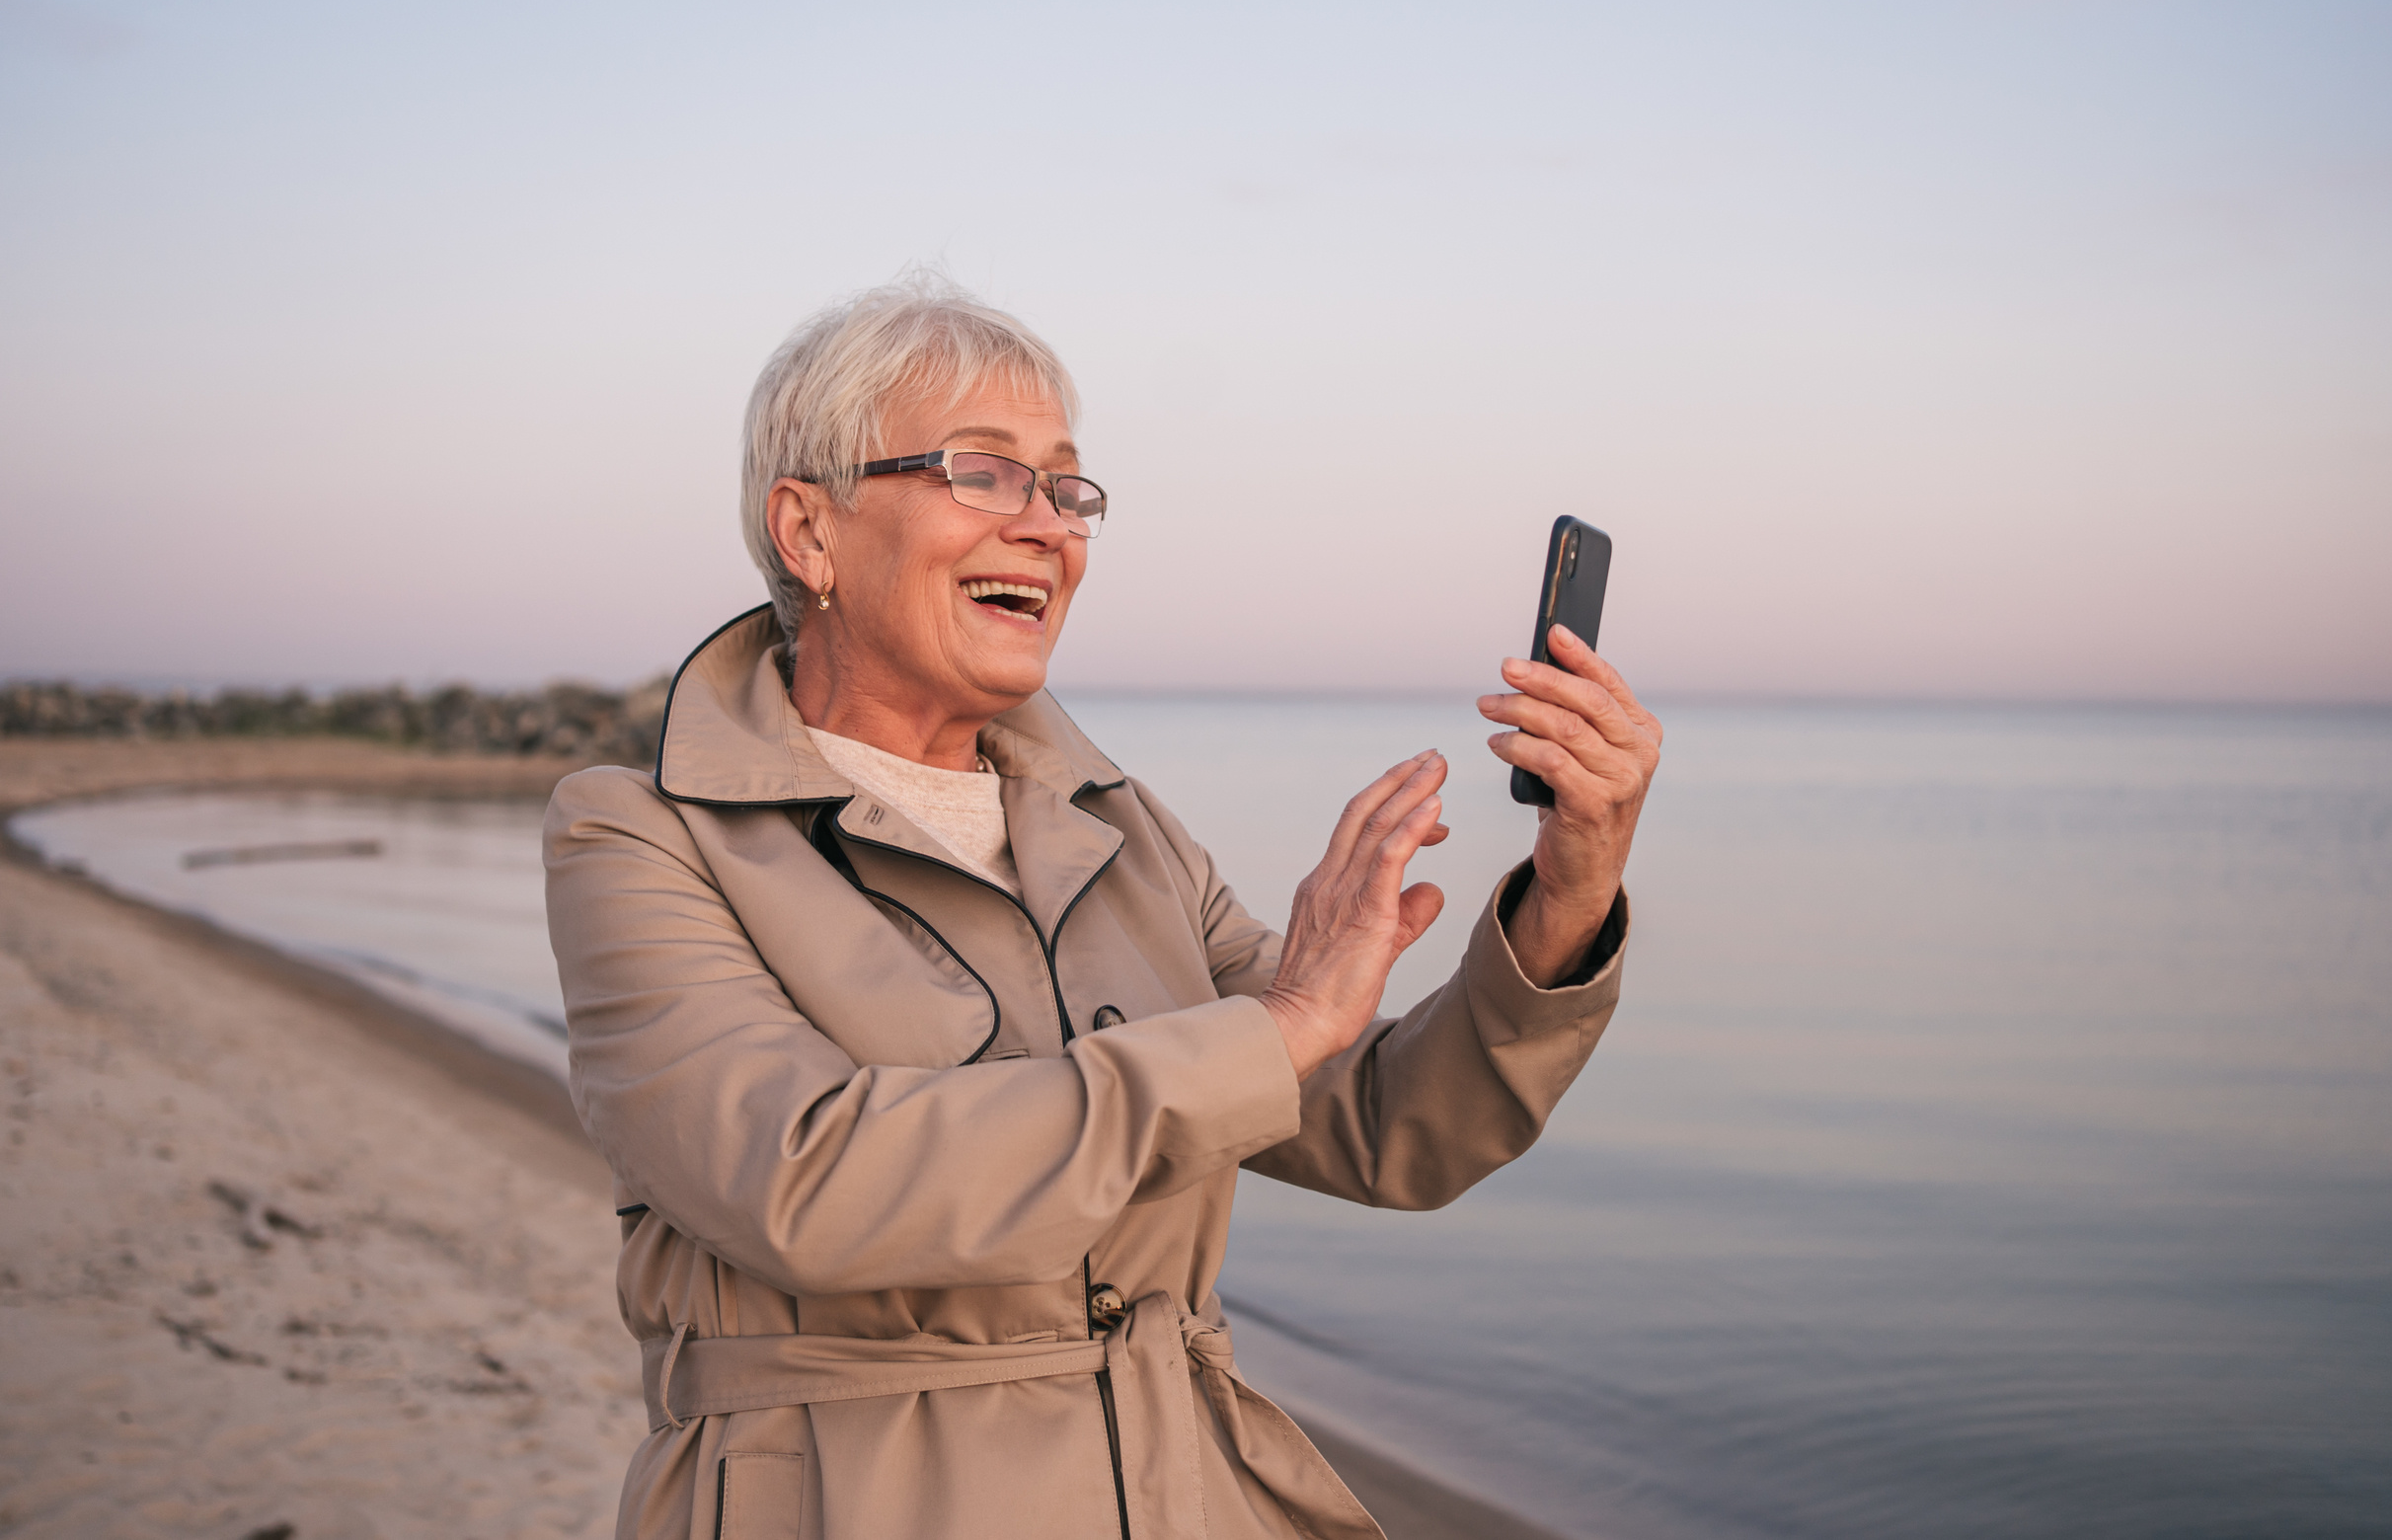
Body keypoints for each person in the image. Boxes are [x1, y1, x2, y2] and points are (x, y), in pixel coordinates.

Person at [543, 273, 1661, 1540]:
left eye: (1067, 489)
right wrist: (1283, 1023)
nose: (1047, 526)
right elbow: (806, 1182)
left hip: (1183, 1492)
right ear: (809, 534)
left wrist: (1570, 895)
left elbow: (1386, 1129)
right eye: (983, 473)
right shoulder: (639, 833)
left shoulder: (1116, 830)